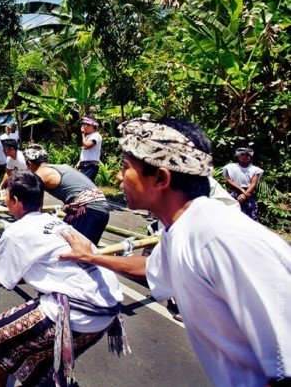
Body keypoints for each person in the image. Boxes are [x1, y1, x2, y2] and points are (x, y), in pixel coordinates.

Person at [59, 118, 291, 386]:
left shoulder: (221, 238)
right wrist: (92, 257)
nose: (118, 177)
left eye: (125, 167)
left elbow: (283, 363)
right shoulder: (182, 230)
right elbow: (151, 267)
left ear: (160, 178)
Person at [0, 172, 125, 387]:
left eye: (6, 195)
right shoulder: (57, 223)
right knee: (36, 355)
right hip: (108, 311)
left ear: (14, 201)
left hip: (78, 313)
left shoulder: (17, 232)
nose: (4, 200)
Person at [25, 145, 109, 246]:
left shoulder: (40, 174)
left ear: (29, 164)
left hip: (88, 211)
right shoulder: (62, 167)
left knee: (71, 249)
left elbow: (36, 207)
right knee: (85, 249)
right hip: (102, 209)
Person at [222, 147, 263, 221]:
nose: (245, 157)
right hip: (233, 192)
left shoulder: (256, 169)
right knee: (230, 215)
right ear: (238, 156)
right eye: (243, 155)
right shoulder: (230, 167)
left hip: (248, 193)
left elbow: (253, 183)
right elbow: (227, 179)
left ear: (250, 156)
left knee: (251, 217)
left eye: (247, 155)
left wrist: (245, 194)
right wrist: (240, 189)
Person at [76, 116, 102, 182]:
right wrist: (79, 162)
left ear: (91, 126)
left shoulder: (96, 135)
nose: (83, 127)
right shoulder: (87, 136)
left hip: (91, 165)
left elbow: (87, 145)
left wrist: (82, 134)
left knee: (85, 184)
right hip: (84, 165)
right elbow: (84, 151)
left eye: (85, 125)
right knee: (82, 184)